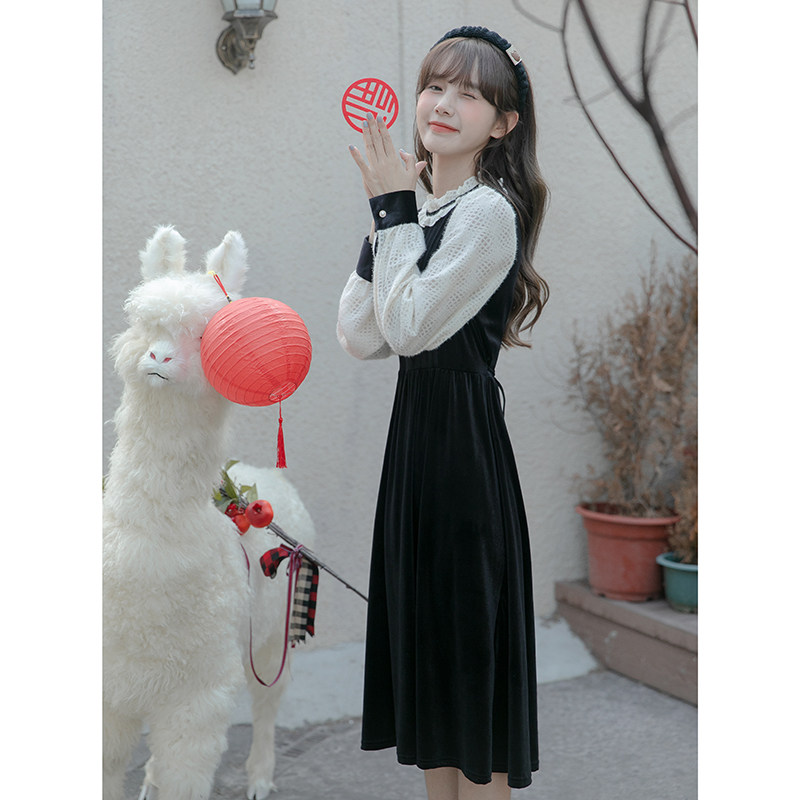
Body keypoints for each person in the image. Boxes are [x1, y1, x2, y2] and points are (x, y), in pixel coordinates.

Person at [336, 25, 549, 800]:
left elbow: (407, 328)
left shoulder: (489, 214)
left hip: (463, 458)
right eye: (435, 85)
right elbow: (359, 335)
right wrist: (391, 213)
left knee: (469, 679)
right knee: (431, 670)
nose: (444, 103)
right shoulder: (416, 207)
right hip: (415, 450)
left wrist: (393, 210)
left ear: (503, 123)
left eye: (471, 94)